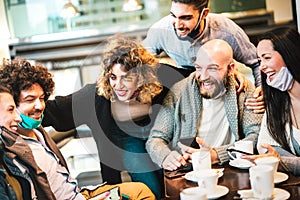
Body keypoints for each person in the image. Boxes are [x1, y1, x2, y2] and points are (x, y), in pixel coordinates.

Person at [0, 58, 155, 200]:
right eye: (30, 100)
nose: (40, 106)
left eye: (41, 98)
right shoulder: (10, 148)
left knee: (142, 191)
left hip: (81, 193)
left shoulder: (39, 132)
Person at [42, 35, 168, 199]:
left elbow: (193, 78)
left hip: (158, 135)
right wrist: (16, 109)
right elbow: (56, 110)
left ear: (141, 76)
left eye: (127, 78)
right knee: (151, 187)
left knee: (169, 180)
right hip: (127, 141)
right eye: (113, 77)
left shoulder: (160, 81)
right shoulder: (95, 96)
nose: (118, 85)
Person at [146, 39, 263, 171]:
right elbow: (155, 139)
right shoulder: (179, 91)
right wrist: (165, 156)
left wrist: (217, 155)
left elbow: (256, 135)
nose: (203, 76)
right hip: (188, 171)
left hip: (232, 168)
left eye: (212, 68)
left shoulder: (244, 91)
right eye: (198, 68)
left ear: (230, 69)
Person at [143, 0, 265, 113]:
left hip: (221, 81)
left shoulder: (227, 31)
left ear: (204, 13)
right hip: (186, 81)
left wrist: (261, 89)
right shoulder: (161, 30)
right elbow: (138, 62)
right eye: (173, 16)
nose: (178, 25)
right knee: (158, 70)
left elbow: (256, 62)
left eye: (186, 18)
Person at [241, 27, 300, 176]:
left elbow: (275, 158)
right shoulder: (278, 102)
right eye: (260, 60)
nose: (262, 66)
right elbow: (265, 146)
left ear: (290, 55)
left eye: (267, 58)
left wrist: (283, 161)